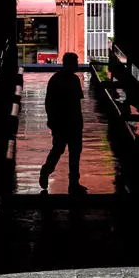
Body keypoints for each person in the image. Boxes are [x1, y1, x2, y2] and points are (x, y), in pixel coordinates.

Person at [37, 52, 86, 195]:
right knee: (72, 153)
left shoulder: (55, 80)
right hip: (71, 123)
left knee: (59, 150)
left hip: (62, 123)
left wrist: (51, 120)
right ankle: (72, 183)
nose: (77, 65)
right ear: (70, 64)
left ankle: (47, 171)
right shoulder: (74, 80)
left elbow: (49, 103)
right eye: (75, 63)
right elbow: (76, 104)